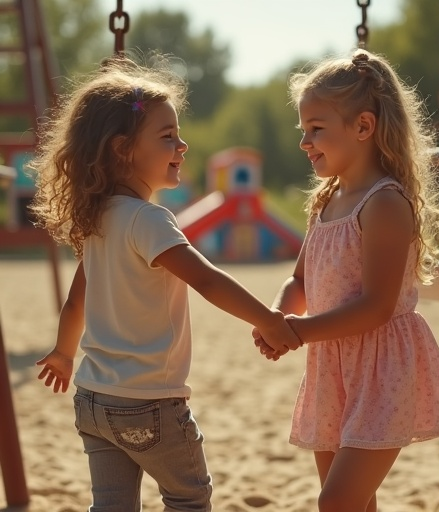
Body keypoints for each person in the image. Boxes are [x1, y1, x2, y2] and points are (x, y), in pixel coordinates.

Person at [30, 53, 301, 512]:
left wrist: (63, 352)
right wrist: (268, 319)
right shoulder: (149, 220)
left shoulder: (96, 220)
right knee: (189, 497)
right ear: (122, 149)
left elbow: (77, 303)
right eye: (167, 136)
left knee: (111, 505)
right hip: (150, 403)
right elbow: (207, 280)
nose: (183, 145)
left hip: (93, 401)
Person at [254, 48, 439, 512]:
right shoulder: (326, 200)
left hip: (382, 367)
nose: (305, 142)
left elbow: (377, 306)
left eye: (316, 129)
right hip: (333, 366)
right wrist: (279, 316)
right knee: (355, 504)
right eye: (303, 130)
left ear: (364, 127)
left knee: (337, 503)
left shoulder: (384, 204)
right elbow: (300, 281)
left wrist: (298, 332)